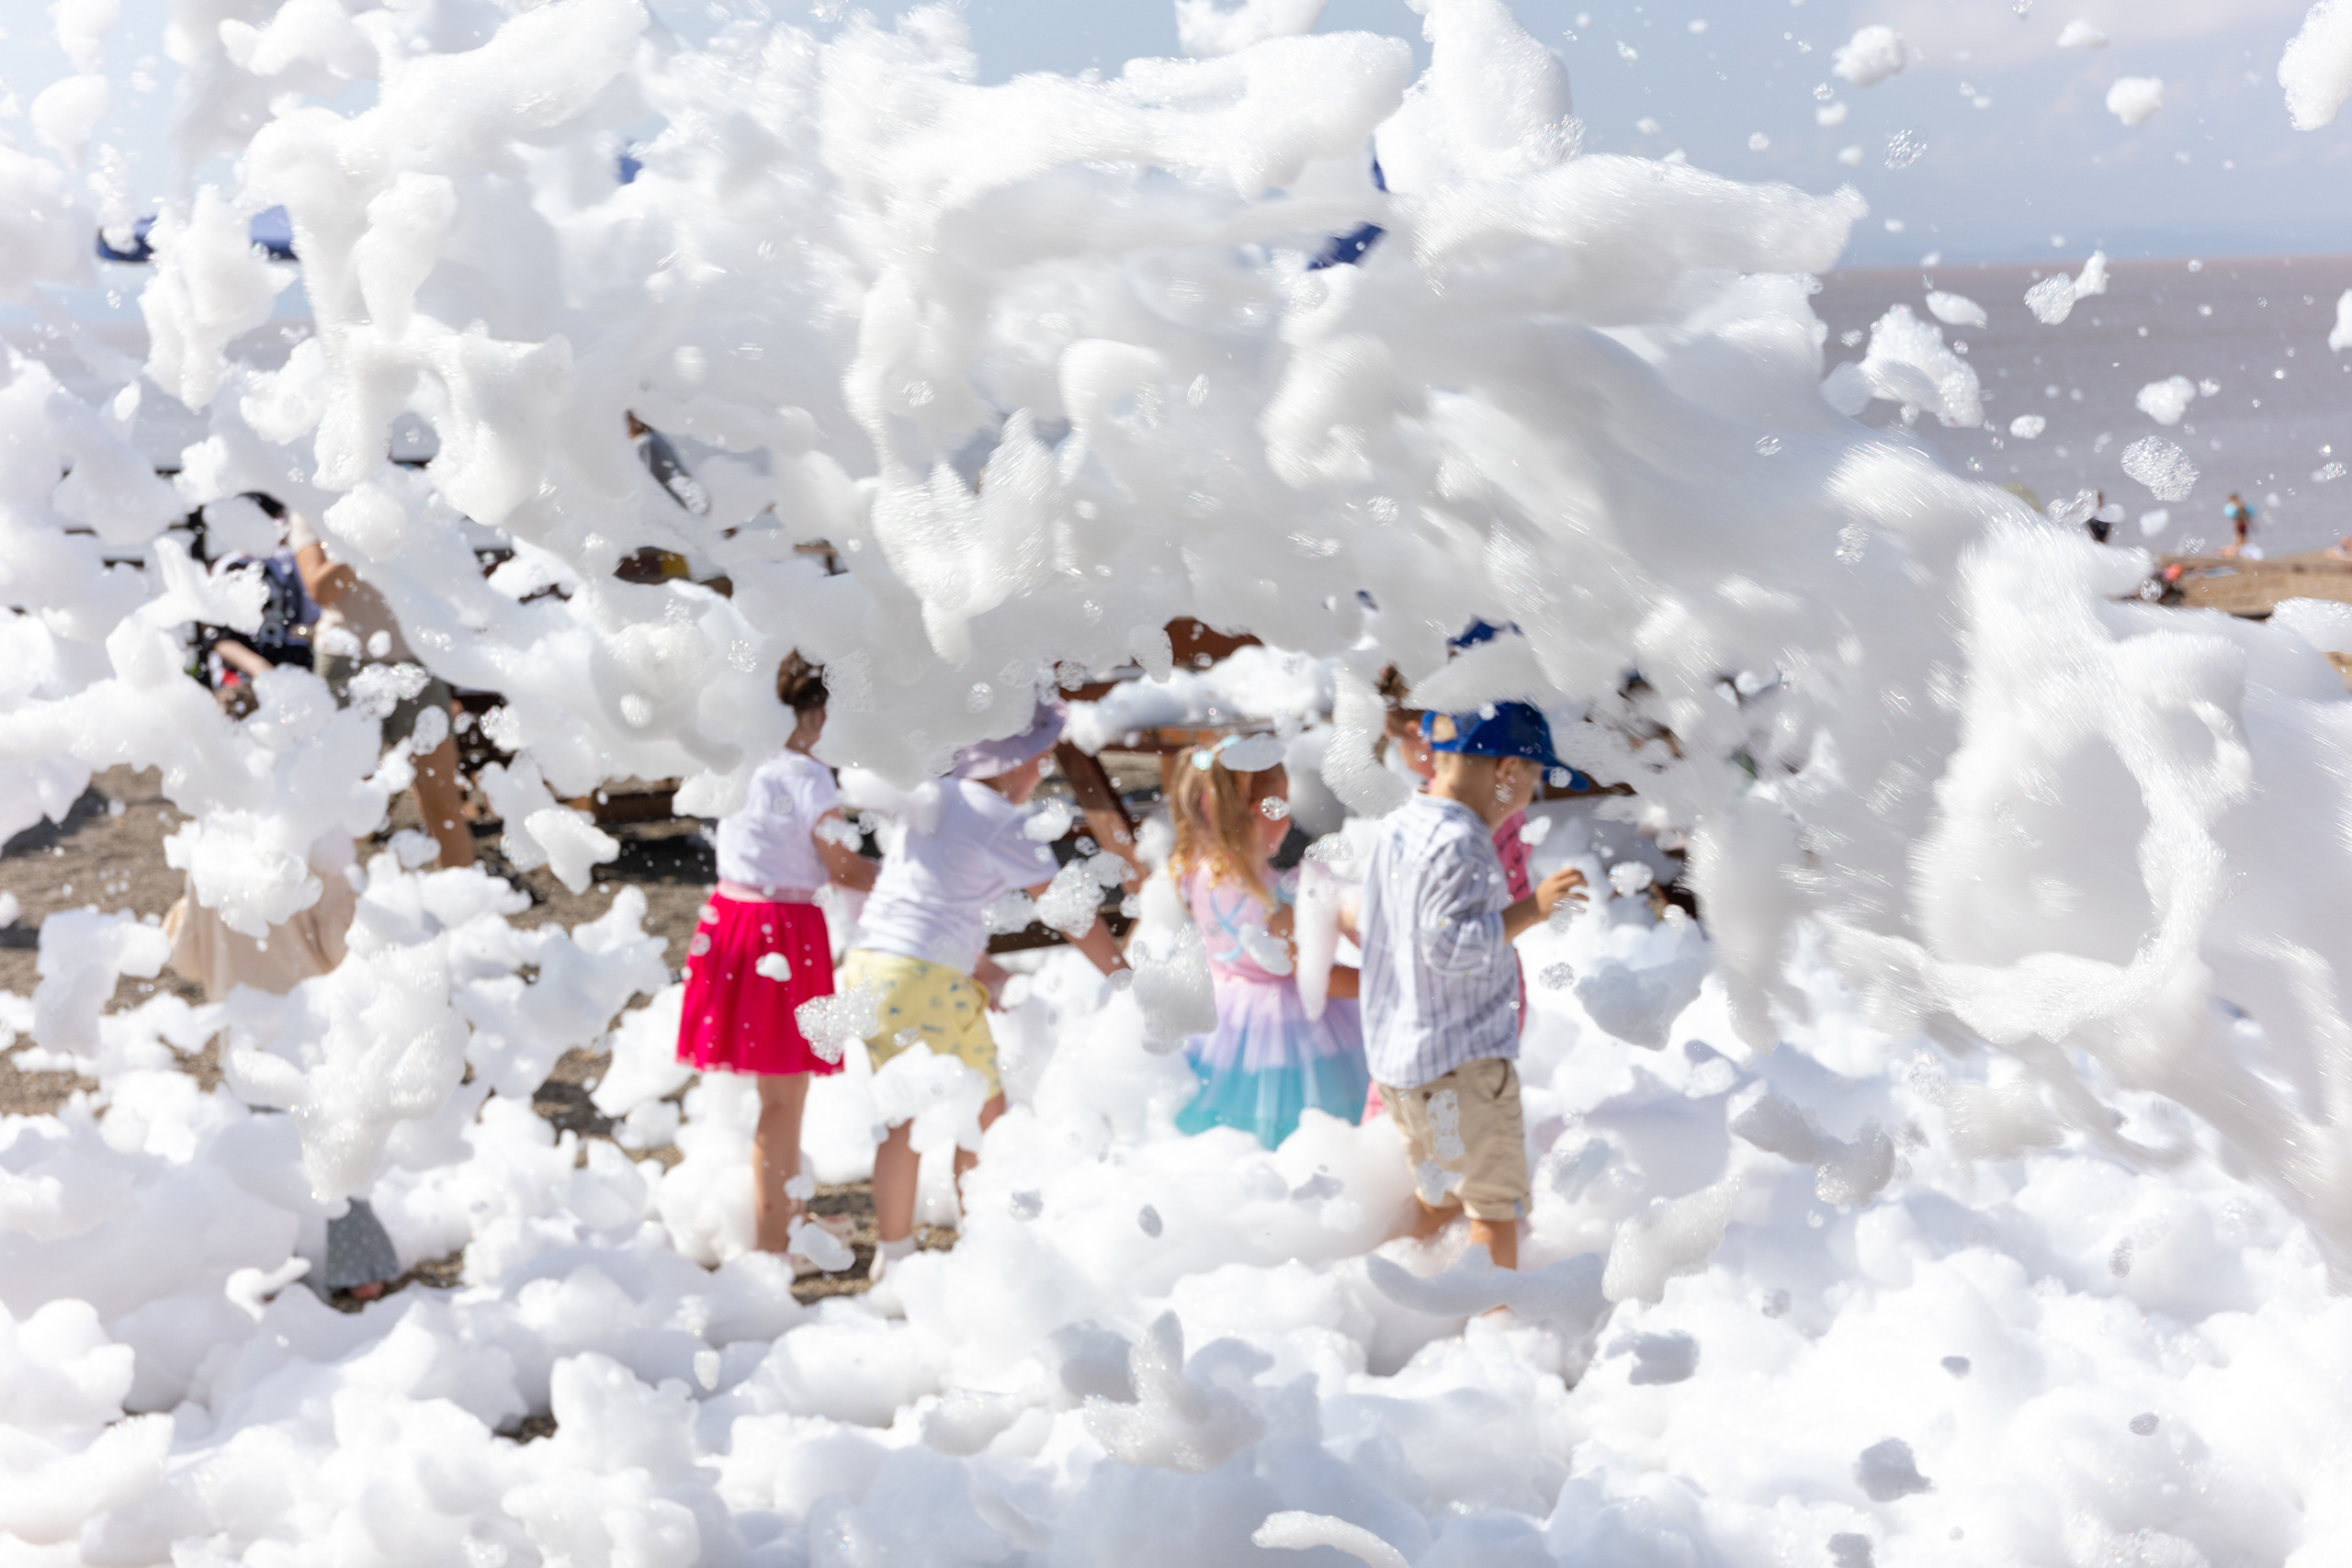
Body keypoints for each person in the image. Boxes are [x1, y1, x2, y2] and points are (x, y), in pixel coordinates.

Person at [841, 700, 1127, 1280]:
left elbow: (931, 902)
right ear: (1013, 760)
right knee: (982, 1109)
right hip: (926, 979)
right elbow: (1068, 910)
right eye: (1039, 762)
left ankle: (893, 1253)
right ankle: (983, 1247)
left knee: (904, 1115)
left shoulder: (936, 795)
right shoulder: (1001, 819)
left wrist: (987, 972)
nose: (1041, 774)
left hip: (871, 967)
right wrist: (1123, 976)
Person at [1359, 702, 1587, 1272]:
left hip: (1403, 1063)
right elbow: (1450, 945)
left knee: (1438, 1197)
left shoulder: (1400, 824)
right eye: (1533, 780)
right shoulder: (1462, 842)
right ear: (1507, 771)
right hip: (1464, 1065)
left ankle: (1378, 1286)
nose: (1529, 798)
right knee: (1494, 1211)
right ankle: (1499, 1337)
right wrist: (1532, 910)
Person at [675, 655, 877, 1265]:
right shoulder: (810, 777)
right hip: (779, 931)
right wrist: (908, 879)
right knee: (784, 1099)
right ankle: (773, 1242)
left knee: (778, 1093)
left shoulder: (747, 759)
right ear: (822, 713)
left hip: (728, 919)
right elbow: (842, 865)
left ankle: (786, 1213)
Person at [1168, 734, 1367, 1150]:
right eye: (1280, 802)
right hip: (1286, 1027)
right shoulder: (1268, 902)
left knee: (1234, 1127)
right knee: (1299, 1133)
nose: (1289, 816)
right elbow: (1320, 980)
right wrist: (1384, 982)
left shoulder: (1196, 870)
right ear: (1258, 812)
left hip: (1224, 1017)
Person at [288, 507, 476, 870]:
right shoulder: (308, 504)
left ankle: (472, 915)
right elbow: (321, 589)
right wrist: (370, 539)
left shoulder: (405, 495)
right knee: (345, 804)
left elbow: (444, 581)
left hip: (416, 661)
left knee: (444, 805)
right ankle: (333, 914)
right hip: (344, 662)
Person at [2222, 493, 2253, 558]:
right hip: (2242, 525)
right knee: (2241, 540)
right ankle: (2240, 554)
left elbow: (2244, 517)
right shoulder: (2242, 505)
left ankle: (2238, 554)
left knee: (2239, 540)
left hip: (2240, 525)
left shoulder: (2238, 506)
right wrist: (2253, 526)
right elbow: (2247, 517)